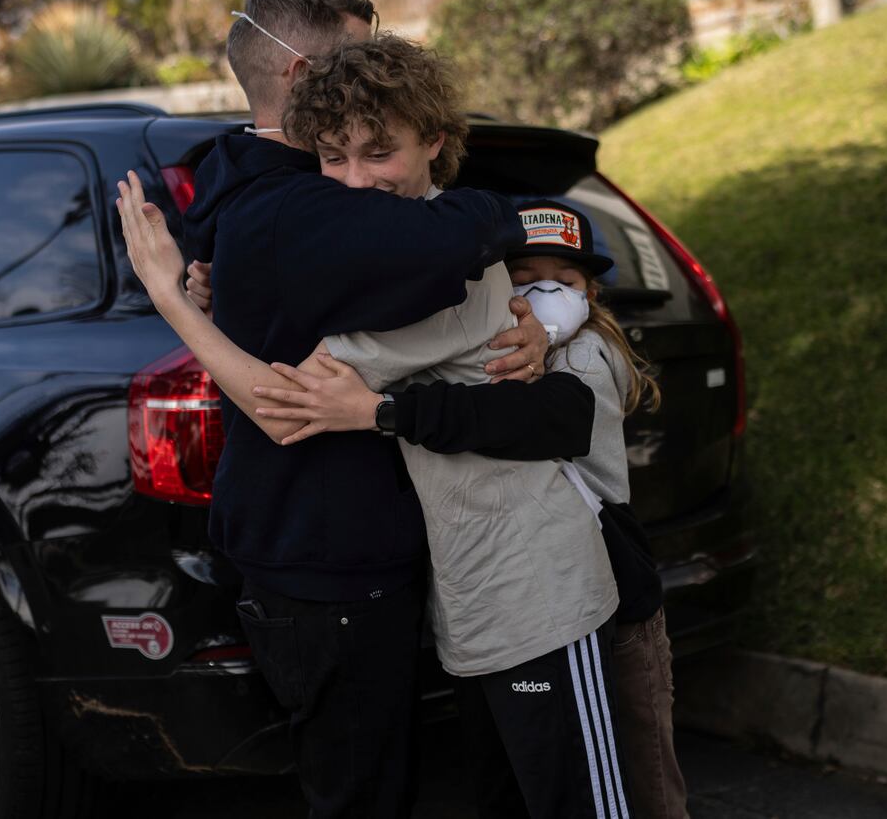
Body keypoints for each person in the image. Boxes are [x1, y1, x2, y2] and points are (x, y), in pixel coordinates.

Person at [119, 35, 633, 819]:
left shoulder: (436, 272)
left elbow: (278, 400)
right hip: (472, 600)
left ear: (434, 142)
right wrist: (236, 289)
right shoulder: (405, 248)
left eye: (379, 153)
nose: (356, 181)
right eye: (334, 157)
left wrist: (171, 295)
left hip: (541, 597)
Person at [250, 197, 691, 819]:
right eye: (523, 278)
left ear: (591, 294)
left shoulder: (590, 355)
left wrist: (382, 413)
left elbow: (521, 417)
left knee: (641, 774)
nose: (542, 293)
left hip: (614, 597)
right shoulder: (484, 341)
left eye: (562, 282)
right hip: (512, 607)